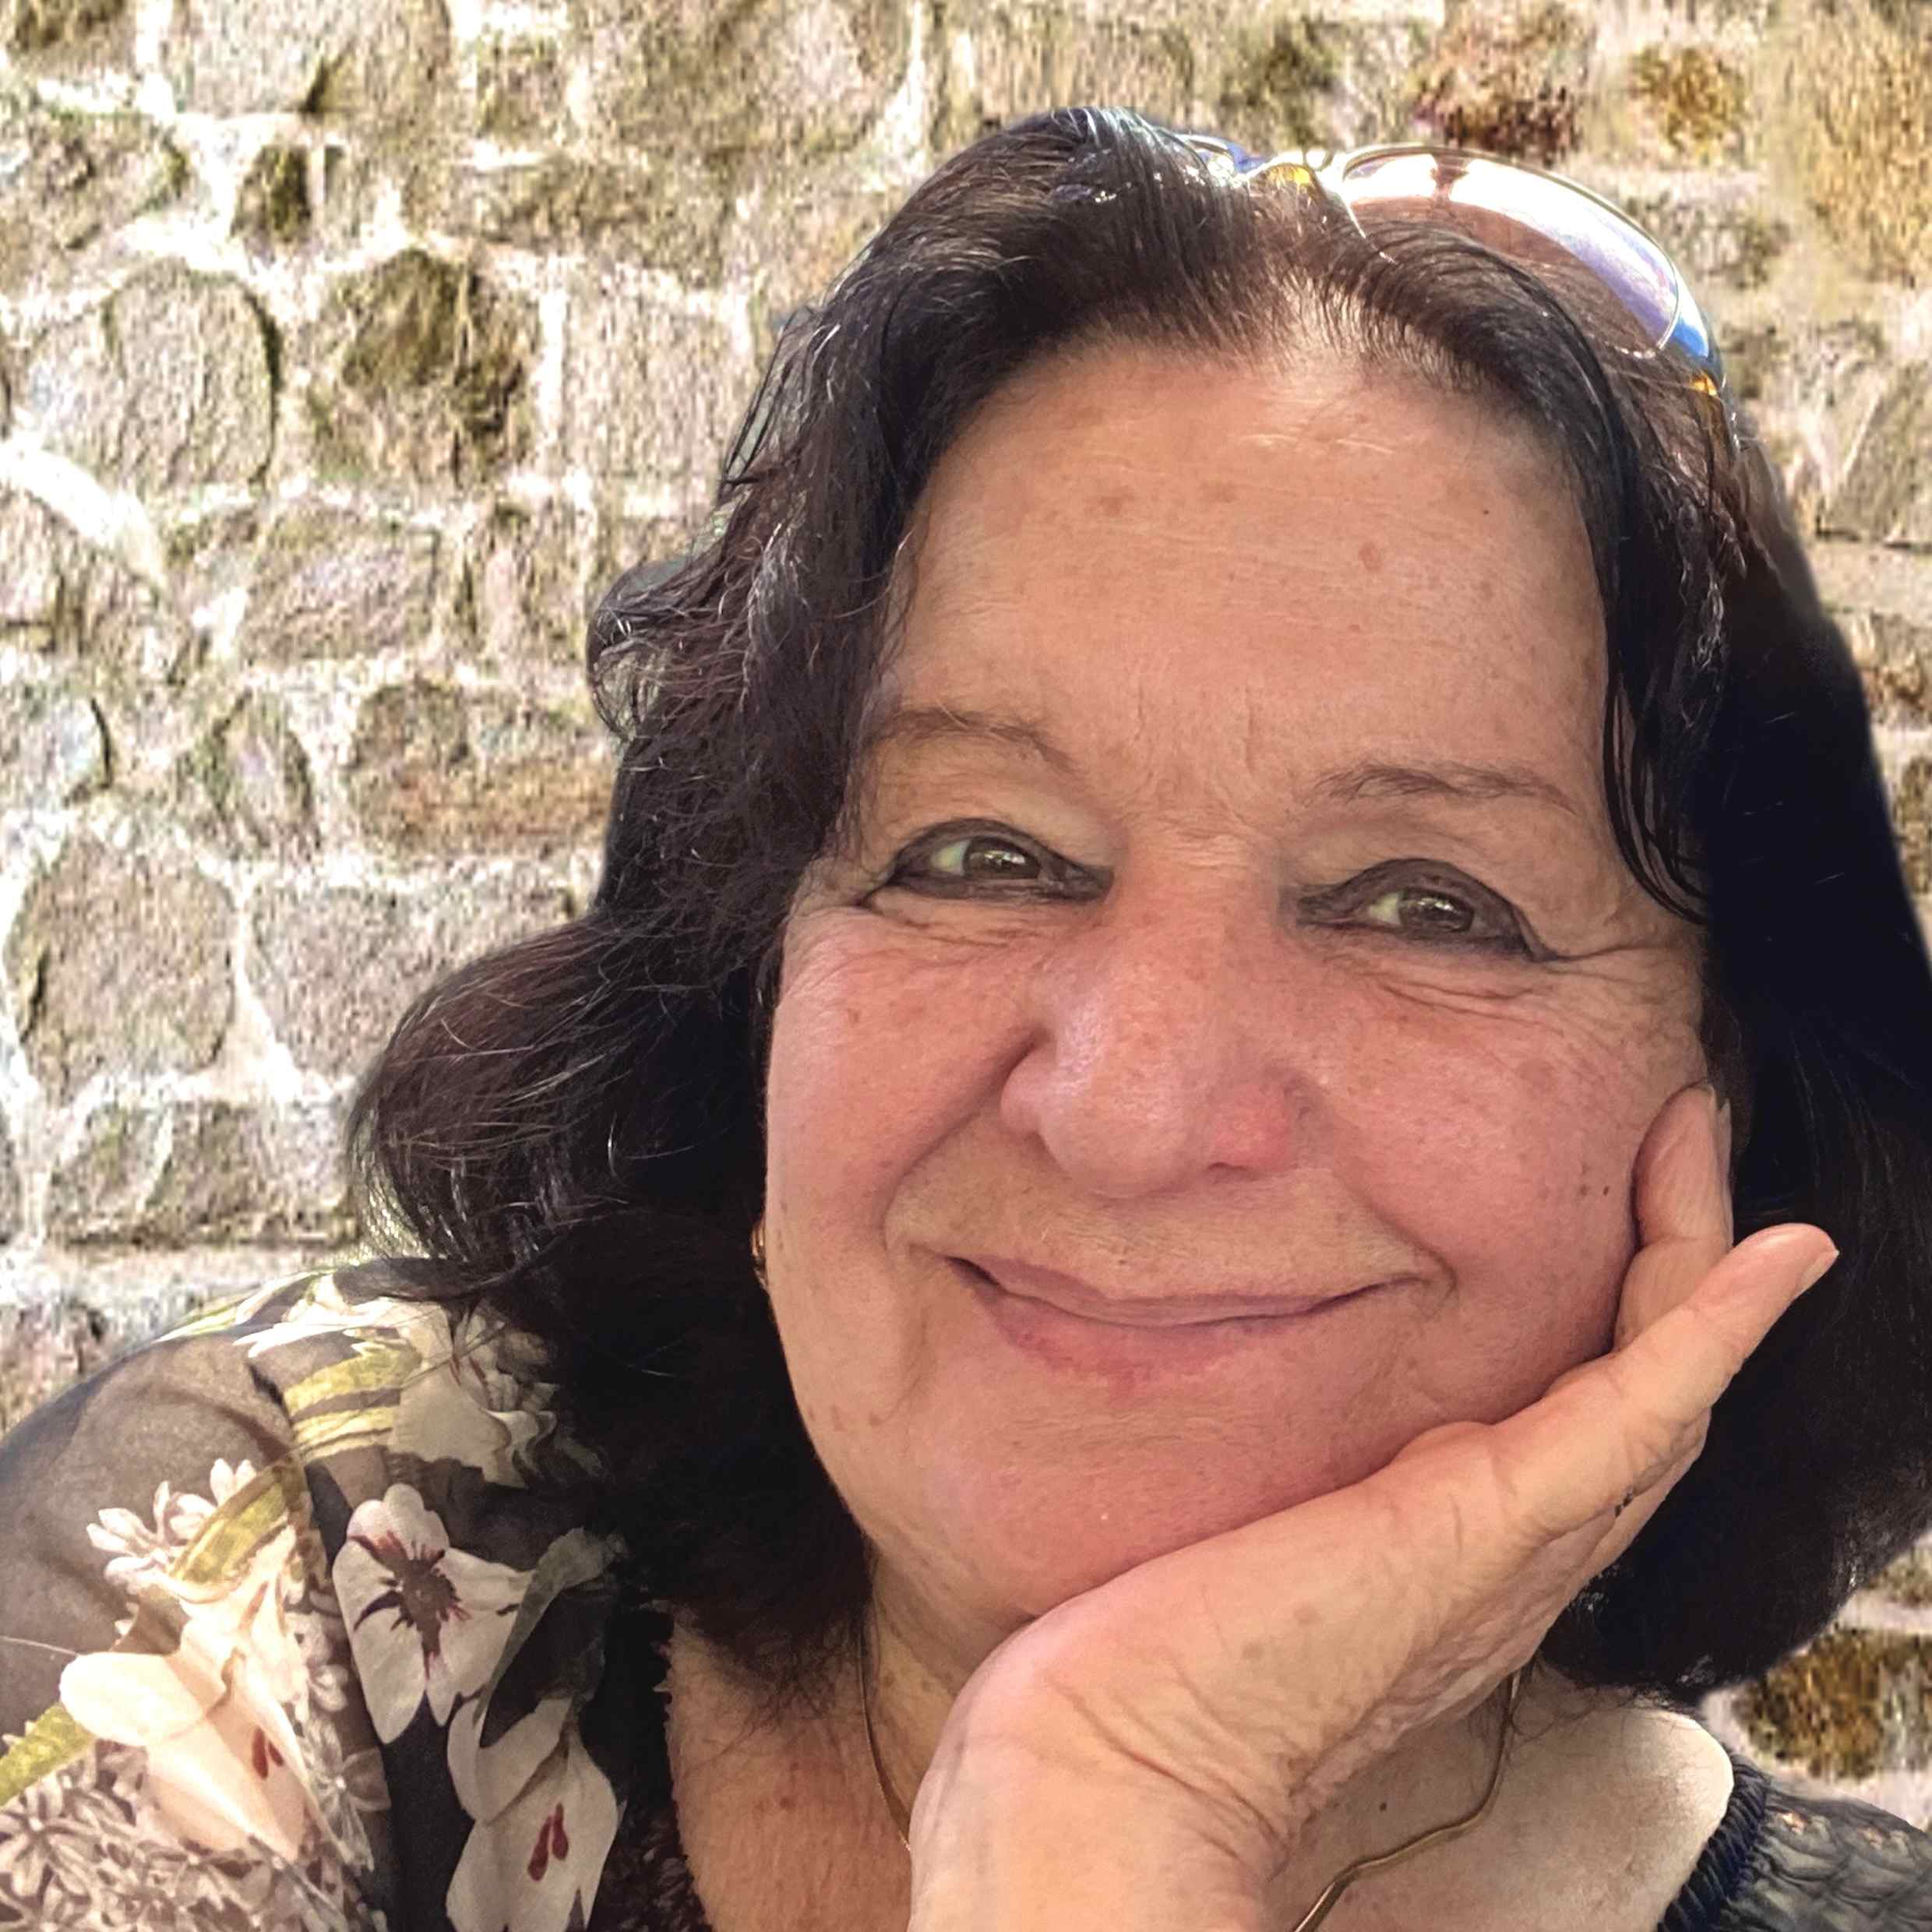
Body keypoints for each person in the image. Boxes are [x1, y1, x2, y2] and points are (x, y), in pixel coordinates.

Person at [2, 102, 1931, 1932]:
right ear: (759, 984)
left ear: (1724, 1088)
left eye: (1424, 902)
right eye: (982, 854)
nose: (1126, 1108)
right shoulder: (292, 1597)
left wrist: (1115, 1803)